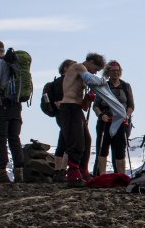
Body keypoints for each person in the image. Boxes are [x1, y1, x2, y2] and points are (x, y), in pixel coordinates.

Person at [57, 52, 106, 182]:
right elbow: (90, 79)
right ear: (90, 62)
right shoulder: (79, 67)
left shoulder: (82, 73)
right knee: (77, 141)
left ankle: (83, 170)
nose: (95, 72)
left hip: (76, 108)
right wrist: (103, 82)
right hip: (69, 107)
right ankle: (73, 173)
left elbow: (82, 100)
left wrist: (88, 98)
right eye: (96, 69)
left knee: (87, 140)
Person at [0, 39, 25, 184]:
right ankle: (19, 173)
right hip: (16, 105)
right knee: (14, 138)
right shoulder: (15, 63)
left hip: (1, 105)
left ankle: (2, 174)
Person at [92, 60, 134, 177]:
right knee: (103, 149)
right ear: (108, 72)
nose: (116, 73)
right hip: (105, 121)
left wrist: (126, 115)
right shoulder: (103, 86)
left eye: (117, 70)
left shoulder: (125, 86)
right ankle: (102, 176)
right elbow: (96, 106)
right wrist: (101, 115)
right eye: (113, 71)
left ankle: (120, 176)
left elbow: (131, 105)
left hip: (121, 121)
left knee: (120, 149)